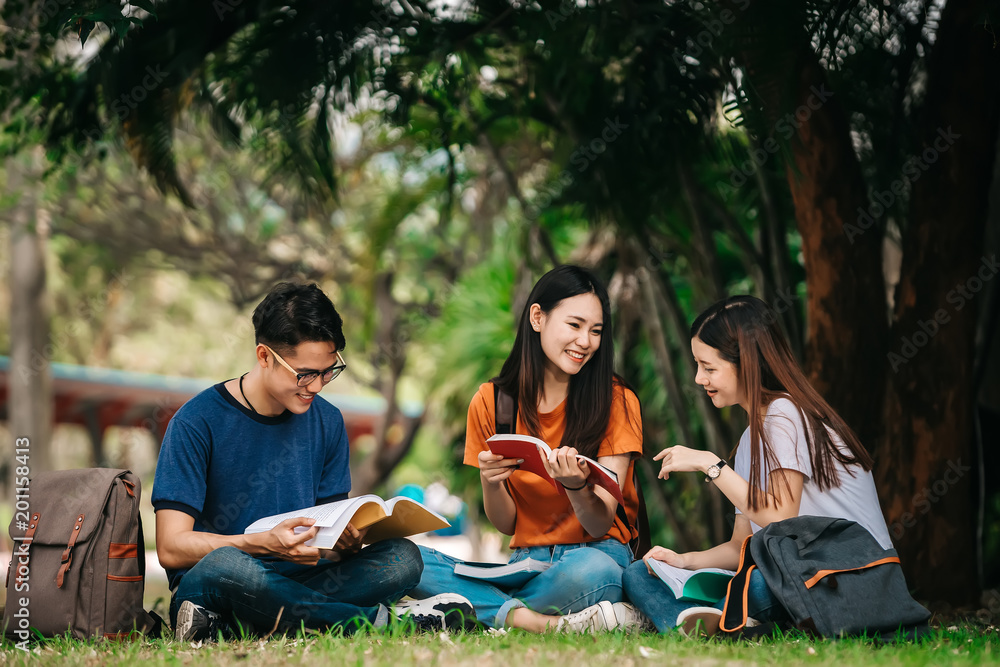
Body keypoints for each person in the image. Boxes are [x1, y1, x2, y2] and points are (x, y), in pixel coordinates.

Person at [152, 282, 472, 640]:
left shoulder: (328, 422)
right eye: (305, 374)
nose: (317, 386)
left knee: (403, 558)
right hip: (223, 581)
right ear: (264, 356)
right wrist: (257, 544)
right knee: (227, 566)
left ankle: (249, 625)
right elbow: (170, 547)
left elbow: (327, 536)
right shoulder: (196, 422)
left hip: (304, 581)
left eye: (328, 371)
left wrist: (343, 543)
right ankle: (379, 624)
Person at [622, 295, 893, 635]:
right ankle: (725, 624)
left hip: (852, 579)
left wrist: (710, 464)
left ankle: (714, 624)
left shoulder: (785, 414)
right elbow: (741, 546)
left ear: (746, 364)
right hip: (799, 577)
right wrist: (682, 561)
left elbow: (779, 517)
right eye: (697, 366)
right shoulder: (755, 436)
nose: (697, 379)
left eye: (708, 367)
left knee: (760, 587)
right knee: (639, 574)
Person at [408, 265, 647, 632]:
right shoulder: (492, 402)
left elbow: (600, 522)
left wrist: (576, 488)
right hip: (524, 564)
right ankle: (539, 622)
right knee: (408, 558)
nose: (585, 341)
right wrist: (491, 481)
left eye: (596, 331)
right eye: (575, 325)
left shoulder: (617, 400)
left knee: (596, 573)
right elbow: (506, 525)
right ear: (538, 317)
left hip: (593, 558)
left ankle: (474, 609)